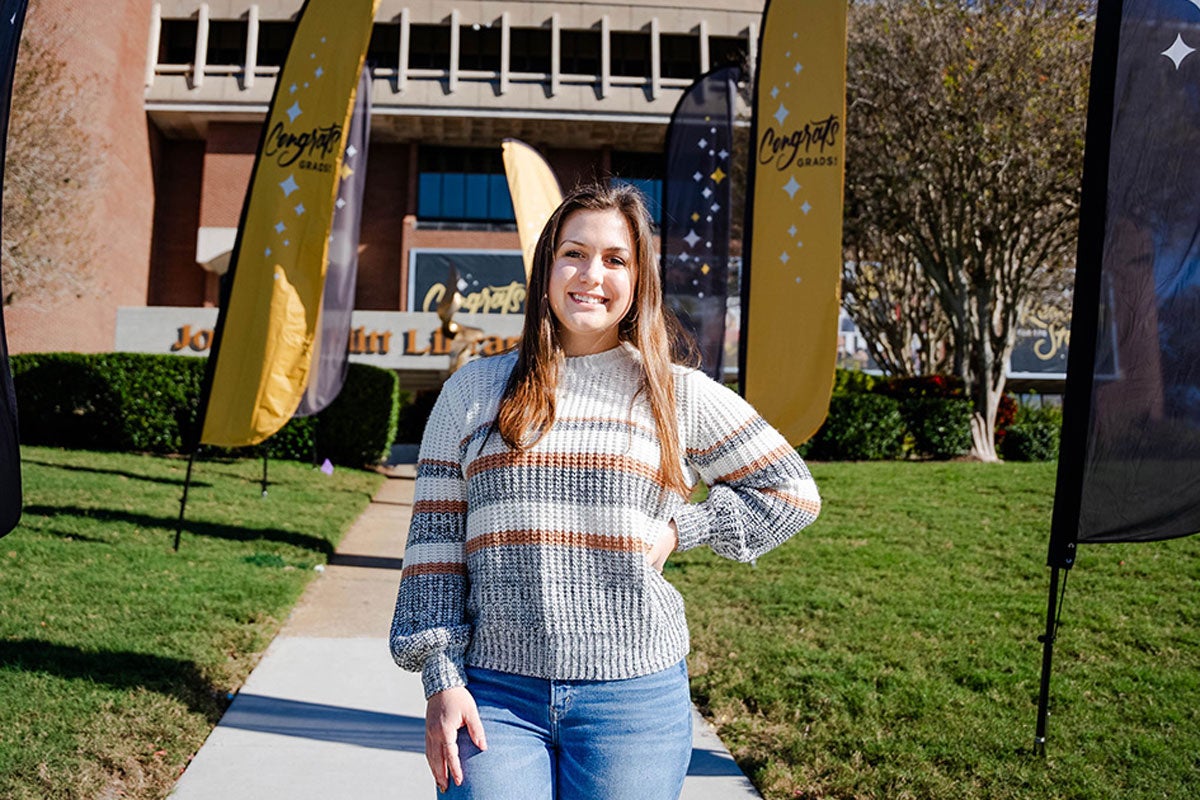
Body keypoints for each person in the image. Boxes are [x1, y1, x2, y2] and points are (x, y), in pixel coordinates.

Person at [389, 183, 820, 799]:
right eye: (574, 253)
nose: (592, 274)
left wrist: (680, 530)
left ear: (638, 280)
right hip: (493, 695)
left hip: (634, 698)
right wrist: (440, 679)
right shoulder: (473, 392)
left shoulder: (674, 392)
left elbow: (791, 489)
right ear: (546, 270)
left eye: (616, 259)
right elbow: (433, 552)